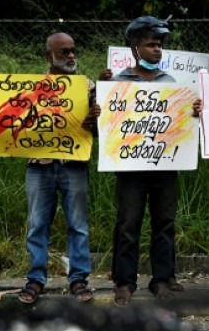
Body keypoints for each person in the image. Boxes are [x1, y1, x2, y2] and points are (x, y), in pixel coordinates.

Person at [18, 32, 100, 304]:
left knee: (78, 225)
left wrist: (95, 119)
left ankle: (78, 279)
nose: (71, 56)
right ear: (49, 56)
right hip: (39, 164)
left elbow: (103, 128)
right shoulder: (30, 87)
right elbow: (14, 122)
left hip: (73, 163)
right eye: (64, 52)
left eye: (73, 50)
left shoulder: (87, 87)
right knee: (37, 224)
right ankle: (36, 279)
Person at [110, 16, 184, 305]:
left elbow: (178, 123)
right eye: (151, 44)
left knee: (165, 221)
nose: (157, 50)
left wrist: (192, 111)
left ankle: (162, 279)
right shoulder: (118, 83)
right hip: (131, 166)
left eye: (160, 45)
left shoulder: (170, 83)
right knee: (128, 222)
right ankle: (124, 282)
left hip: (164, 164)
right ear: (134, 49)